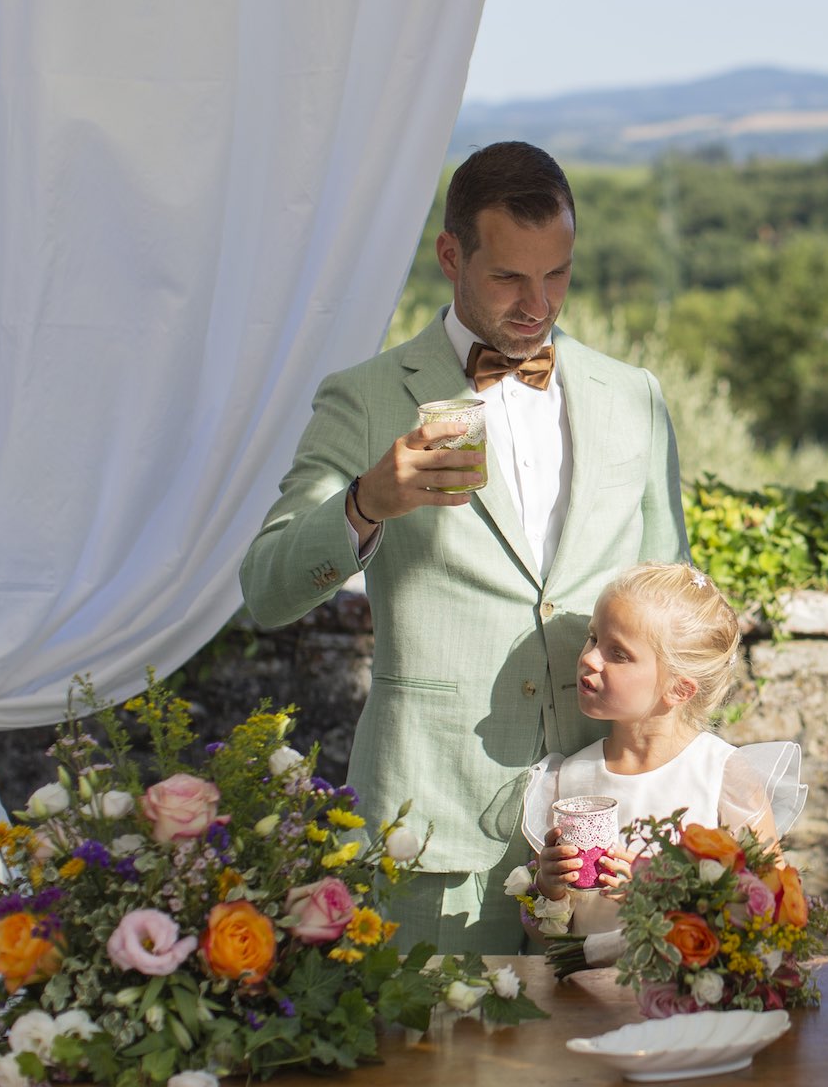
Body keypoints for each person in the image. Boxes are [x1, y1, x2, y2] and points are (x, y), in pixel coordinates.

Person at [239, 141, 690, 953]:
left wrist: (670, 790)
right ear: (451, 255)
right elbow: (267, 589)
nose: (538, 303)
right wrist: (368, 501)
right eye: (509, 277)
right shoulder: (367, 397)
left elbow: (673, 605)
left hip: (603, 835)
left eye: (558, 274)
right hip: (431, 829)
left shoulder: (635, 398)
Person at [511, 562, 805, 939]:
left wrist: (660, 891)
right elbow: (546, 933)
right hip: (584, 989)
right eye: (593, 637)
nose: (589, 657)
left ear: (679, 690)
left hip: (685, 989)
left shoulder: (720, 775)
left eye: (618, 654)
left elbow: (772, 910)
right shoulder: (569, 775)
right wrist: (550, 886)